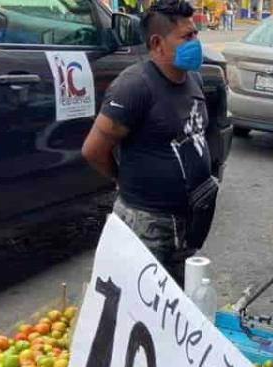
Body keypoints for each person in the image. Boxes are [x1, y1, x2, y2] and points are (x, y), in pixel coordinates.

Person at [81, 0, 217, 287]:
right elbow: (93, 150)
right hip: (146, 225)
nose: (196, 43)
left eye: (196, 34)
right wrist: (122, 178)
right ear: (157, 43)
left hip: (189, 222)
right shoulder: (135, 86)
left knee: (181, 300)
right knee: (141, 301)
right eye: (187, 36)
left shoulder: (192, 79)